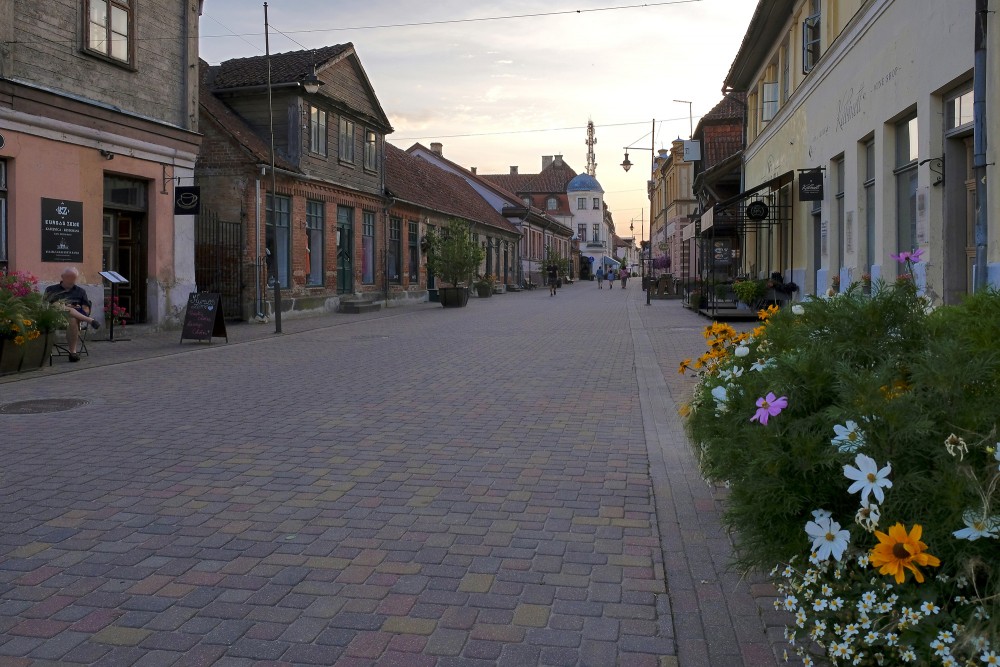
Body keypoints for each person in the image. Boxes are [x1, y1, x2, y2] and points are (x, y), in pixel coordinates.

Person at [44, 267, 100, 362]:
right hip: (57, 317)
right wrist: (63, 306)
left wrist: (78, 308)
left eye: (73, 278)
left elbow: (86, 309)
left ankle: (72, 352)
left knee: (72, 319)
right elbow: (45, 306)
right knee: (58, 305)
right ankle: (90, 321)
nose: (71, 280)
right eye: (69, 277)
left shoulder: (80, 291)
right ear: (62, 277)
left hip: (76, 317)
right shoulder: (51, 289)